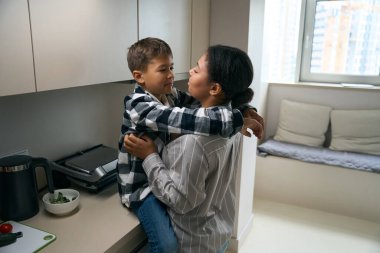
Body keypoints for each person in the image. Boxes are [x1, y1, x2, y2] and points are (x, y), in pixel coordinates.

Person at [117, 38, 263, 252]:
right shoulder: (138, 105)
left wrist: (242, 107)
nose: (172, 74)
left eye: (171, 67)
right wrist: (237, 118)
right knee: (166, 246)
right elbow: (186, 118)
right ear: (139, 76)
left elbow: (200, 106)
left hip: (158, 178)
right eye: (162, 69)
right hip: (140, 187)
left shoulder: (169, 95)